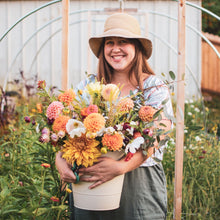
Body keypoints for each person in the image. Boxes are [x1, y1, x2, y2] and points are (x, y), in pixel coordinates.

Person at [55, 12, 173, 220]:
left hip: (138, 183)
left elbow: (160, 133)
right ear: (103, 50)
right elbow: (66, 130)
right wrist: (59, 161)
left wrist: (121, 167)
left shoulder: (152, 87)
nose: (115, 48)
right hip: (90, 181)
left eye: (123, 42)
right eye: (110, 42)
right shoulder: (88, 86)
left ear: (136, 48)